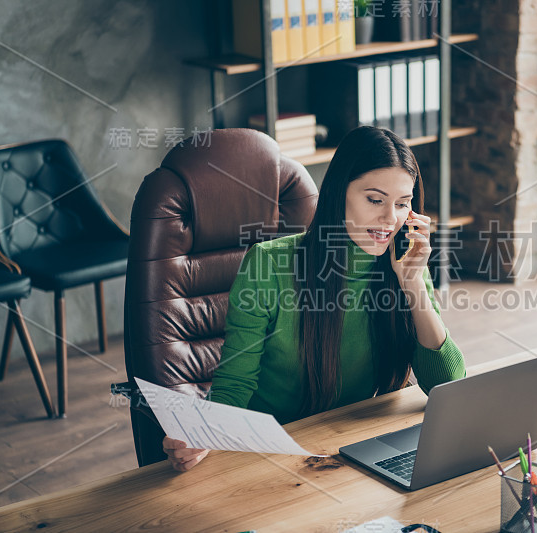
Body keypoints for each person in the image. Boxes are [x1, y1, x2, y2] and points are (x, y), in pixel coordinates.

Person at [163, 126, 466, 471]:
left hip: (351, 446)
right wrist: (205, 432)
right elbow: (235, 383)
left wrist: (412, 284)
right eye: (375, 200)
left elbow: (448, 386)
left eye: (403, 204)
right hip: (273, 452)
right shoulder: (268, 264)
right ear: (339, 194)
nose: (389, 219)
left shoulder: (405, 262)